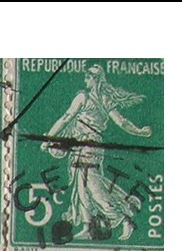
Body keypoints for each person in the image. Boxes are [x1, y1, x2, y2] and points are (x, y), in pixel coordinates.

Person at [45, 64, 152, 241]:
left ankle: (123, 219)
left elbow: (66, 118)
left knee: (93, 188)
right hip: (88, 147)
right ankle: (87, 227)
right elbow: (122, 122)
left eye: (88, 76)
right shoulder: (104, 99)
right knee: (81, 187)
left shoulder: (83, 97)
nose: (85, 80)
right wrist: (139, 131)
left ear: (95, 79)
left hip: (87, 148)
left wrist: (48, 137)